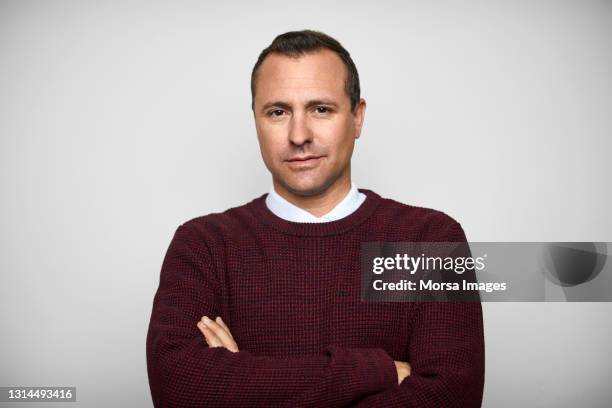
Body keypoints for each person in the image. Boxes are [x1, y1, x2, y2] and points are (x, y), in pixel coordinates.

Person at [146, 29, 485, 407]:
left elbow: (454, 397)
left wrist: (242, 383)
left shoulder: (430, 241)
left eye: (321, 109)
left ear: (357, 118)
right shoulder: (203, 245)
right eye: (278, 112)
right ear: (256, 121)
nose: (298, 135)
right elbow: (177, 389)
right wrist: (375, 370)